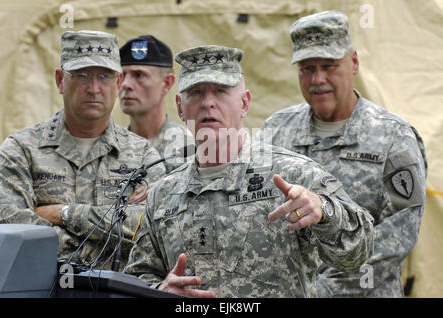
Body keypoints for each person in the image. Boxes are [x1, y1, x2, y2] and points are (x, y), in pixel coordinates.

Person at [123, 44, 374, 298]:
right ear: (179, 106)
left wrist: (324, 211)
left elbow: (358, 254)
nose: (208, 103)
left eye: (220, 91)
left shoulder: (292, 174)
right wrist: (160, 290)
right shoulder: (164, 194)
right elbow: (138, 277)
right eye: (196, 92)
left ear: (244, 103)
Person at [257, 11, 427, 297]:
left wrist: (319, 290)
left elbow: (397, 236)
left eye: (329, 66)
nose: (318, 79)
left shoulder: (393, 137)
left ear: (354, 63)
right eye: (307, 68)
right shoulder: (275, 132)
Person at [0, 30, 166, 270]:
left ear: (117, 83)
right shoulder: (21, 151)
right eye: (82, 75)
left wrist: (64, 214)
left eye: (104, 76)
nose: (94, 88)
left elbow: (150, 230)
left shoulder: (144, 157)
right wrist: (101, 251)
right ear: (60, 81)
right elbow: (12, 229)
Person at [119, 35, 194, 173]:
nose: (126, 84)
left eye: (139, 75)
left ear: (167, 83)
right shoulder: (112, 147)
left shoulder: (187, 150)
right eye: (122, 76)